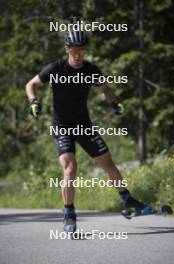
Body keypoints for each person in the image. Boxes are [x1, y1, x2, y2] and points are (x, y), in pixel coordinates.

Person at [25, 29, 152, 233]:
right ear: (67, 50)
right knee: (70, 168)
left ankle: (128, 201)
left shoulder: (91, 70)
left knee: (108, 164)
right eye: (74, 51)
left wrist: (114, 103)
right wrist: (33, 101)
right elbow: (31, 84)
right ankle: (69, 213)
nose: (77, 56)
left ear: (85, 52)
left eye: (82, 52)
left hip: (84, 125)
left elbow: (105, 89)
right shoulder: (55, 68)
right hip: (62, 127)